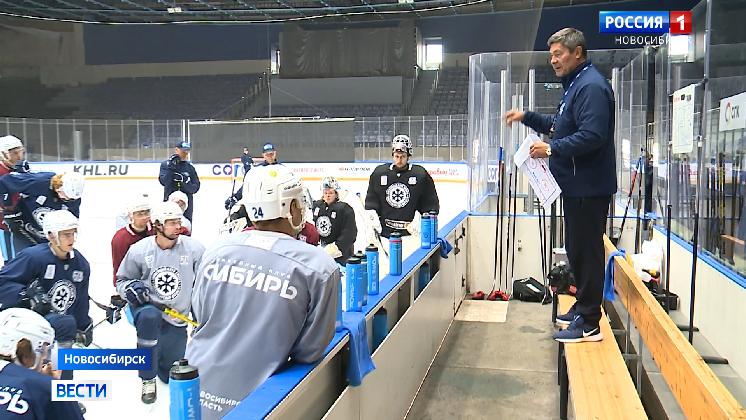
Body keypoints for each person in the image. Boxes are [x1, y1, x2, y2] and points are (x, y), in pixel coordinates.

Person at [185, 165, 339, 420]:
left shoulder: (216, 249)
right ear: (289, 208)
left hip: (194, 390)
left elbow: (201, 315)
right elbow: (310, 349)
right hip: (263, 403)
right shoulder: (319, 266)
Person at [504, 28, 616, 343]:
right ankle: (583, 308)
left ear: (577, 52)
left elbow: (593, 136)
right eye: (551, 54)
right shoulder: (576, 86)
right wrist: (527, 117)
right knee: (577, 250)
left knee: (587, 251)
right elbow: (558, 126)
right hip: (577, 186)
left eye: (558, 54)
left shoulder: (591, 87)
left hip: (588, 187)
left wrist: (552, 149)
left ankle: (590, 323)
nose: (553, 60)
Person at [116, 201, 205, 405]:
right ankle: (147, 379)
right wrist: (131, 289)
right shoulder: (139, 251)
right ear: (157, 225)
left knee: (169, 373)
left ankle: (161, 369)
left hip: (177, 316)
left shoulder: (194, 249)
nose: (178, 227)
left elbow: (203, 286)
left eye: (178, 222)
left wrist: (200, 318)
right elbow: (121, 281)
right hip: (148, 309)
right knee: (149, 317)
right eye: (171, 223)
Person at [0, 210, 93, 382]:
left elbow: (80, 298)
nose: (71, 239)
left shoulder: (80, 264)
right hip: (25, 326)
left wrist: (84, 324)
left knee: (64, 338)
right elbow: (3, 283)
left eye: (73, 233)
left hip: (56, 326)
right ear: (51, 235)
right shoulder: (33, 257)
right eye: (65, 235)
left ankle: (63, 395)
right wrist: (26, 296)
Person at [364, 134, 440, 260]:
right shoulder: (379, 174)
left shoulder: (420, 175)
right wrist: (372, 219)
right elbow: (372, 200)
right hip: (385, 235)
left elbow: (430, 203)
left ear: (408, 156)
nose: (399, 160)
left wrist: (424, 223)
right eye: (396, 156)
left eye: (403, 157)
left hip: (409, 236)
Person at [0, 308, 85, 419]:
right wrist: (47, 384)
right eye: (43, 357)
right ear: (26, 355)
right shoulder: (49, 388)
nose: (43, 364)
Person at [0, 171, 84, 261]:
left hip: (49, 238)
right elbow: (5, 182)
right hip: (23, 231)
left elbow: (71, 221)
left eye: (71, 198)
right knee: (19, 263)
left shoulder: (73, 199)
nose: (68, 199)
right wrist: (9, 209)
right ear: (59, 186)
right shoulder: (39, 182)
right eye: (66, 195)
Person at [313, 176, 357, 265]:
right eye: (325, 193)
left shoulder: (345, 209)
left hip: (341, 256)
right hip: (322, 251)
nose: (327, 195)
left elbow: (350, 233)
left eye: (331, 193)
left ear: (336, 194)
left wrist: (336, 248)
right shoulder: (317, 206)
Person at [111, 195, 153, 286]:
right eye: (139, 214)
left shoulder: (156, 230)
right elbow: (118, 268)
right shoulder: (120, 239)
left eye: (146, 213)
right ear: (130, 216)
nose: (144, 217)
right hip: (134, 283)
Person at [224, 143, 280, 211]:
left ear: (275, 153)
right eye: (267, 154)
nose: (269, 156)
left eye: (271, 154)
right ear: (263, 155)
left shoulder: (281, 169)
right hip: (259, 205)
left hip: (275, 205)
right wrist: (235, 198)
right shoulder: (258, 169)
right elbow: (248, 186)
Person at [159, 141, 200, 223]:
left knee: (186, 226)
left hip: (186, 204)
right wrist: (171, 168)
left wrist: (185, 182)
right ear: (176, 150)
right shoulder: (166, 165)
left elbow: (195, 188)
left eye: (187, 151)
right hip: (169, 201)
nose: (185, 154)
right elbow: (164, 182)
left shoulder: (190, 168)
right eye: (183, 151)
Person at [0, 136, 24, 263]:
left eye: (21, 152)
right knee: (10, 260)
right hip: (4, 224)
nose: (19, 156)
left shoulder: (19, 170)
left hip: (19, 222)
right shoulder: (1, 171)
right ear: (4, 154)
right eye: (15, 153)